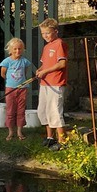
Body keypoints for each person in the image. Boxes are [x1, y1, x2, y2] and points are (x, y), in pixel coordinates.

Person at [34, 17, 68, 148]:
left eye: (47, 33)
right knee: (43, 110)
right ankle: (50, 137)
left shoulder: (59, 44)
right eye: (43, 33)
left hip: (56, 83)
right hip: (45, 83)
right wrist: (40, 70)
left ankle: (63, 141)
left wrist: (46, 71)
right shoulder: (47, 46)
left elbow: (62, 63)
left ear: (55, 31)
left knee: (54, 111)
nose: (45, 36)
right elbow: (45, 64)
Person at [0, 37, 33, 141]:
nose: (17, 51)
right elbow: (3, 74)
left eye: (20, 49)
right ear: (10, 50)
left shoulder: (24, 61)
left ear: (23, 49)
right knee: (10, 110)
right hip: (10, 89)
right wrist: (11, 82)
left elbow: (25, 72)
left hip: (22, 89)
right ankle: (10, 132)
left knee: (21, 110)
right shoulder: (6, 62)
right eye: (15, 49)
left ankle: (19, 131)